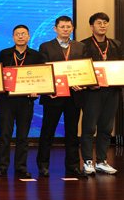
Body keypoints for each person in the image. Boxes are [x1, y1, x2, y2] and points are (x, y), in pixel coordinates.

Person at [36, 15, 88, 178]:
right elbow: (44, 70)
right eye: (62, 27)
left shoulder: (80, 47)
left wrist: (83, 83)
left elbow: (84, 69)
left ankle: (73, 166)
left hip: (74, 96)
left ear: (72, 28)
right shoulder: (46, 46)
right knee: (47, 132)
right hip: (54, 96)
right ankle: (43, 165)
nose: (65, 29)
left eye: (68, 26)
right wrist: (51, 89)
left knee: (72, 133)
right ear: (55, 29)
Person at [0, 25, 43, 178]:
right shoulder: (4, 54)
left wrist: (37, 91)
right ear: (13, 37)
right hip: (7, 100)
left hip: (26, 101)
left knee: (23, 136)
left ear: (28, 36)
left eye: (23, 34)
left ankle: (21, 166)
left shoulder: (36, 55)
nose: (20, 36)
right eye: (17, 34)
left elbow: (40, 77)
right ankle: (2, 167)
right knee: (5, 135)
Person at [80, 12, 121, 175]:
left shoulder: (116, 44)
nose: (102, 25)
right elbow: (82, 69)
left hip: (112, 91)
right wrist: (89, 84)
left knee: (106, 127)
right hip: (93, 93)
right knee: (89, 127)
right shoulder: (84, 45)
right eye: (99, 23)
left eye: (105, 22)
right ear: (91, 26)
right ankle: (88, 161)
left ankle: (102, 161)